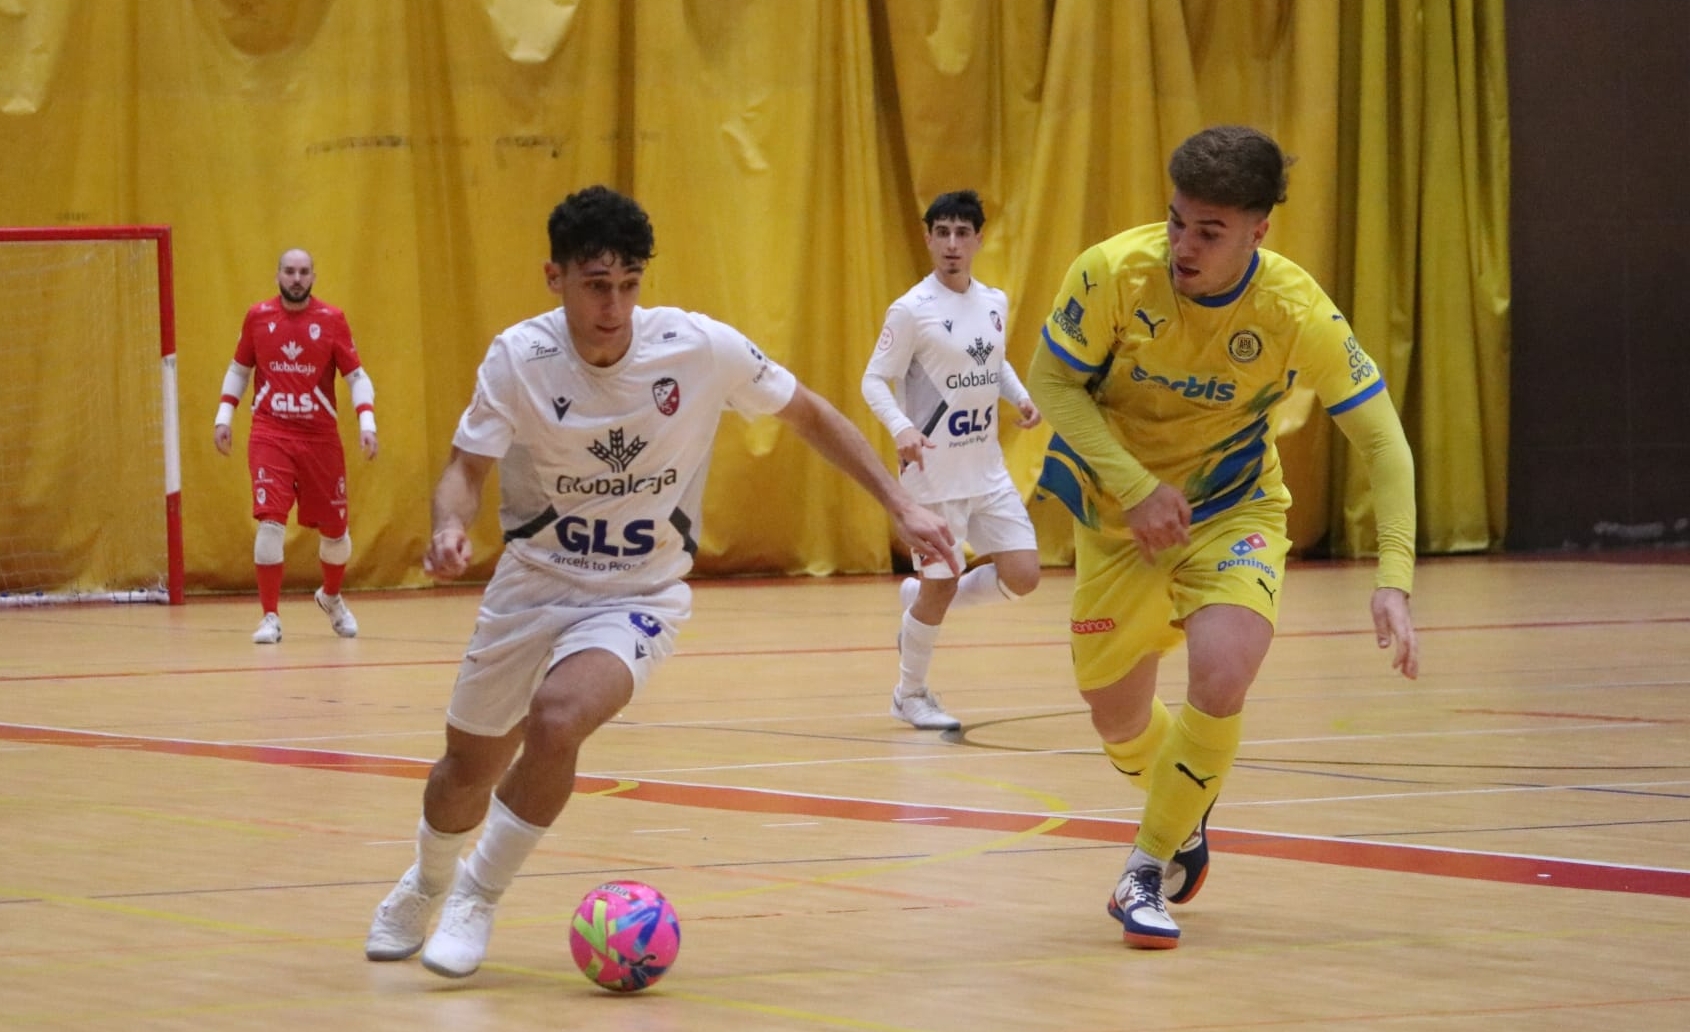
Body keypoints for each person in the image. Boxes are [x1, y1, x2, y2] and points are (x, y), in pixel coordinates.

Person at [365, 185, 959, 979]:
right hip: (532, 586)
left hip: (637, 595)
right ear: (554, 277)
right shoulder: (518, 358)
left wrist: (900, 504)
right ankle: (426, 882)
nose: (613, 306)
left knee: (558, 719)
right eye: (595, 285)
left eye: (628, 284)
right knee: (460, 776)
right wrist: (448, 526)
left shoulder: (698, 348)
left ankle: (476, 894)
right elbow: (463, 470)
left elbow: (811, 415)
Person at [1027, 126, 1419, 949]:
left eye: (1210, 232)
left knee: (1224, 670)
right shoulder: (1110, 272)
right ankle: (1183, 806)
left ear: (1258, 232)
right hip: (1121, 518)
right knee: (1116, 718)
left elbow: (1383, 440)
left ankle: (1144, 868)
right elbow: (1053, 383)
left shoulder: (1294, 310)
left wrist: (1394, 576)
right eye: (1177, 221)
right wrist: (1137, 488)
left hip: (1234, 510)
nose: (1184, 246)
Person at [861, 189, 1042, 730]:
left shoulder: (994, 302)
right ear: (928, 238)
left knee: (1024, 574)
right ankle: (909, 693)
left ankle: (918, 600)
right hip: (934, 478)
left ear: (979, 239)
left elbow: (993, 361)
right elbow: (874, 380)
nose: (952, 244)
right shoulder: (911, 310)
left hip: (986, 470)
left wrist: (1020, 397)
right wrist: (902, 427)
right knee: (941, 585)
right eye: (942, 232)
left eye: (963, 233)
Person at [213, 248, 377, 643]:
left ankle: (331, 597)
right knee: (270, 523)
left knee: (336, 535)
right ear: (278, 276)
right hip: (271, 433)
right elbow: (239, 369)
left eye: (304, 272)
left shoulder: (332, 320)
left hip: (320, 439)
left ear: (314, 277)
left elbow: (356, 376)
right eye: (289, 271)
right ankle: (269, 616)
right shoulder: (258, 317)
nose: (297, 279)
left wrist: (367, 423)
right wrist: (224, 416)